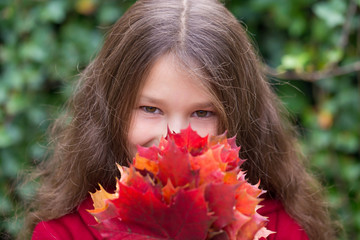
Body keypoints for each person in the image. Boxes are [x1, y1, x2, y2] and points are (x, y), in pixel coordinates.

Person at [24, 0, 335, 239]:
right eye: (150, 109)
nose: (172, 137)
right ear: (110, 111)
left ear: (238, 118)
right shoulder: (62, 233)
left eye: (202, 113)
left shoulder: (278, 228)